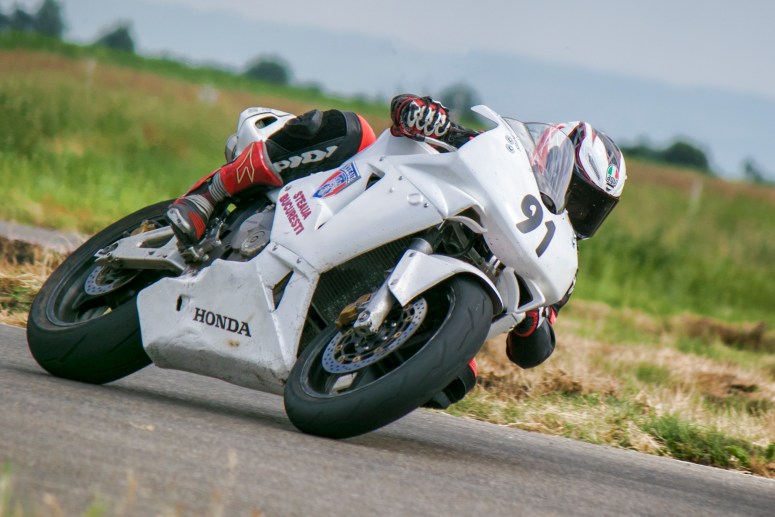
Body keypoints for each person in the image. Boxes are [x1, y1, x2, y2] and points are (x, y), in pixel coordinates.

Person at [166, 94, 627, 408]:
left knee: (456, 377)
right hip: (351, 201)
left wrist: (532, 317)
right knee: (348, 129)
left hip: (409, 299)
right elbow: (405, 110)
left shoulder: (553, 263)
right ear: (552, 156)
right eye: (579, 194)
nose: (580, 210)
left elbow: (533, 353)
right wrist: (425, 115)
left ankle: (354, 377)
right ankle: (208, 196)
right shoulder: (490, 156)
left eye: (593, 209)